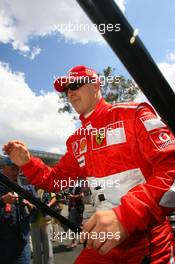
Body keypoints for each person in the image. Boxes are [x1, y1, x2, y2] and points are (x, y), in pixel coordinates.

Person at [3, 65, 175, 263]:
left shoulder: (133, 113)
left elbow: (171, 168)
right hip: (102, 243)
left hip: (149, 242)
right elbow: (54, 181)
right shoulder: (78, 141)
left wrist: (125, 217)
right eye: (67, 89)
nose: (70, 92)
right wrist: (27, 162)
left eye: (75, 85)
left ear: (95, 85)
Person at [0, 157, 34, 264]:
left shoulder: (26, 185)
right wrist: (2, 200)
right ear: (4, 167)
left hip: (21, 243)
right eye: (12, 168)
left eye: (18, 169)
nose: (16, 172)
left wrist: (31, 207)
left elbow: (37, 208)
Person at [30, 189, 55, 264]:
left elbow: (54, 198)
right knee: (36, 248)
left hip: (46, 221)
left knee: (48, 246)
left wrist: (49, 205)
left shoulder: (47, 187)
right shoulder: (30, 188)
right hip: (34, 222)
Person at [67, 182, 84, 248]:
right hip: (72, 209)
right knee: (74, 225)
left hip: (78, 209)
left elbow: (82, 195)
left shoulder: (79, 187)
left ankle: (74, 242)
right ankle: (76, 241)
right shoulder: (70, 188)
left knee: (76, 225)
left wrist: (73, 196)